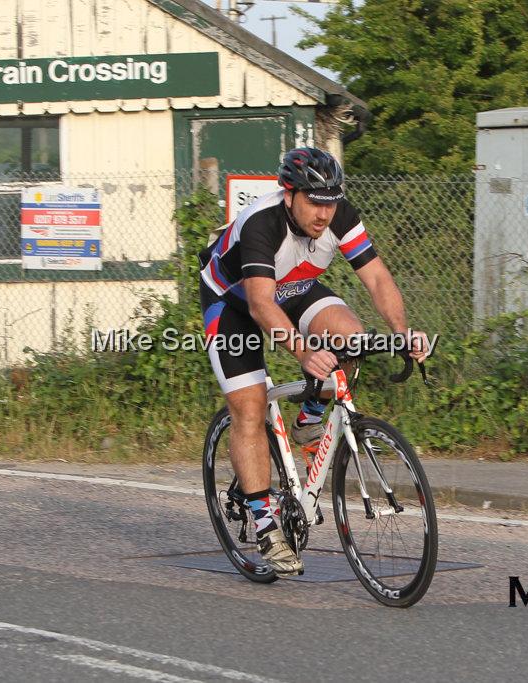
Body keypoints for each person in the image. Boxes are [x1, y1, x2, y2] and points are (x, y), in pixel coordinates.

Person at [198, 147, 429, 576]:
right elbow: (262, 305)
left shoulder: (338, 214)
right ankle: (266, 526)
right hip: (233, 300)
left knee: (350, 337)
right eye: (314, 202)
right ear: (289, 195)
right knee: (248, 404)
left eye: (331, 202)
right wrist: (304, 353)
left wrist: (403, 331)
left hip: (295, 286)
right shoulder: (261, 224)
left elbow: (377, 277)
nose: (324, 214)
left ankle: (310, 416)